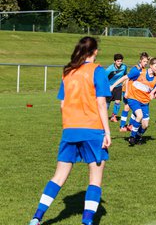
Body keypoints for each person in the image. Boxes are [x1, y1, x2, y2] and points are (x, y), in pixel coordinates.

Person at [28, 37, 111, 225]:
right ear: (95, 51)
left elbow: (62, 104)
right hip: (92, 129)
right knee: (95, 179)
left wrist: (70, 124)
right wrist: (107, 131)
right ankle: (87, 221)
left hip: (70, 130)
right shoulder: (97, 71)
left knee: (58, 176)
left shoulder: (69, 73)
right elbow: (101, 103)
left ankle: (37, 217)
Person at [111, 53, 156, 145]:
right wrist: (113, 86)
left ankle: (138, 137)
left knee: (145, 125)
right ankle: (132, 136)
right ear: (150, 66)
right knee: (139, 115)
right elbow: (125, 78)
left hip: (145, 102)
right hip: (133, 98)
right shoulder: (139, 72)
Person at [105, 53, 127, 122]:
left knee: (118, 101)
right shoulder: (109, 69)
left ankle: (113, 116)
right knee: (107, 103)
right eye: (118, 61)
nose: (119, 62)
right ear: (114, 61)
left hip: (118, 86)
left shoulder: (124, 67)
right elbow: (104, 78)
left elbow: (125, 75)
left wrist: (124, 82)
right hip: (109, 87)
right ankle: (103, 116)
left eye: (120, 61)